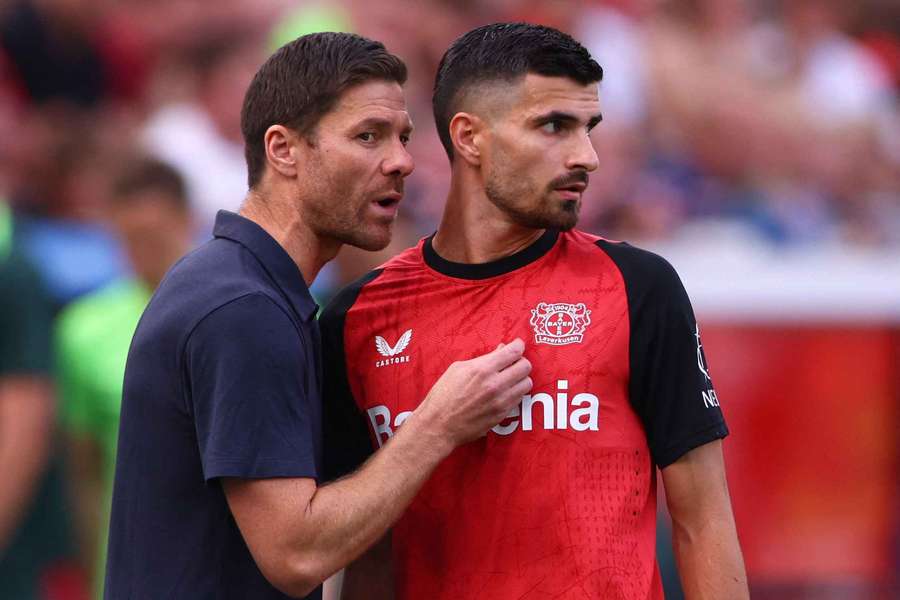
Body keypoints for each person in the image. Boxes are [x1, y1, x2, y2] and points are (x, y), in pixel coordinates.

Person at [319, 23, 749, 599]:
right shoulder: (357, 319)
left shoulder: (638, 288)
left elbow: (703, 522)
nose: (587, 156)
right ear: (470, 138)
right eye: (554, 126)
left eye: (588, 128)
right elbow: (366, 552)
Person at [104, 32, 532, 600]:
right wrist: (438, 424)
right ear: (283, 150)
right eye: (368, 136)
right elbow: (297, 553)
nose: (401, 161)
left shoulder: (239, 285)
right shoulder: (244, 311)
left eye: (403, 137)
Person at [57, 157, 193, 599]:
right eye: (130, 239)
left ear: (185, 221)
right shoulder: (83, 328)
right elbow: (84, 467)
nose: (143, 251)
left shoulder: (243, 308)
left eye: (154, 235)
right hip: (128, 570)